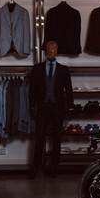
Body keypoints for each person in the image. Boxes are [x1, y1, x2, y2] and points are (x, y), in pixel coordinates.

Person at [29, 41, 73, 178]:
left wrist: (70, 107)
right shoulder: (37, 69)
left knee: (57, 138)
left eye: (54, 49)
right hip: (42, 107)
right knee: (40, 138)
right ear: (45, 51)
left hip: (57, 107)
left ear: (57, 51)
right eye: (49, 49)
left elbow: (69, 90)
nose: (52, 51)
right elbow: (32, 90)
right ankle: (35, 167)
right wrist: (31, 106)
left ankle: (54, 166)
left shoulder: (63, 70)